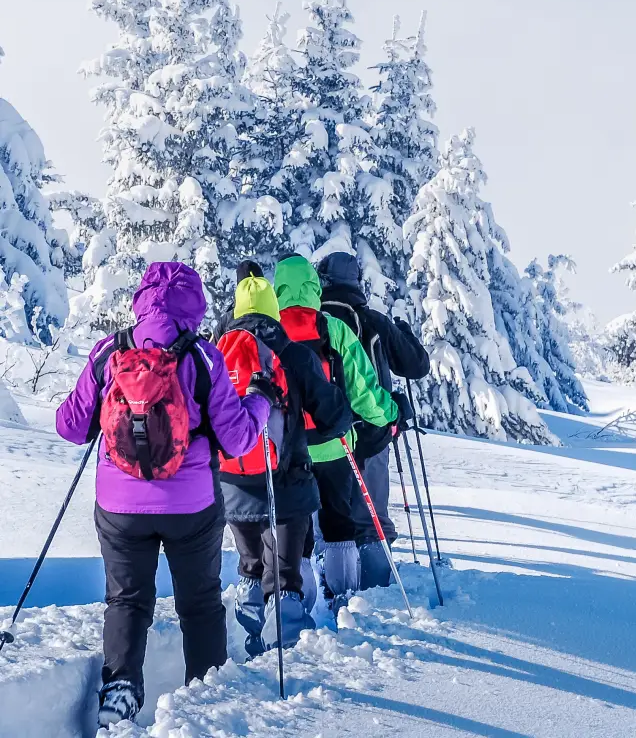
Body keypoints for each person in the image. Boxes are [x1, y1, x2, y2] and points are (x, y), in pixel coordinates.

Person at [56, 262, 273, 728]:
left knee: (127, 600)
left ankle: (119, 689)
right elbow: (237, 440)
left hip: (119, 506)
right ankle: (206, 693)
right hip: (191, 505)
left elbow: (70, 427)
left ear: (141, 299)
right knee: (200, 602)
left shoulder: (109, 350)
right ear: (194, 305)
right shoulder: (204, 357)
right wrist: (260, 398)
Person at [217, 268, 352, 655]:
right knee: (286, 574)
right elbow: (333, 414)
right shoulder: (292, 352)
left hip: (232, 484)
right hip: (287, 482)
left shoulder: (215, 350)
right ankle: (291, 651)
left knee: (250, 566)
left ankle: (249, 640)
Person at [273, 254, 400, 606]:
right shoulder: (333, 328)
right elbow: (364, 393)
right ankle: (344, 598)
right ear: (315, 287)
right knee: (339, 523)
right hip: (335, 444)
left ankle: (299, 599)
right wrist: (389, 414)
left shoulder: (268, 331)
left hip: (287, 449)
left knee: (296, 529)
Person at [317, 251, 430, 588]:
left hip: (324, 434)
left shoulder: (314, 323)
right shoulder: (373, 320)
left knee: (330, 515)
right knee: (371, 518)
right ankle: (376, 586)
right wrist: (405, 334)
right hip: (373, 432)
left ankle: (332, 583)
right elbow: (417, 366)